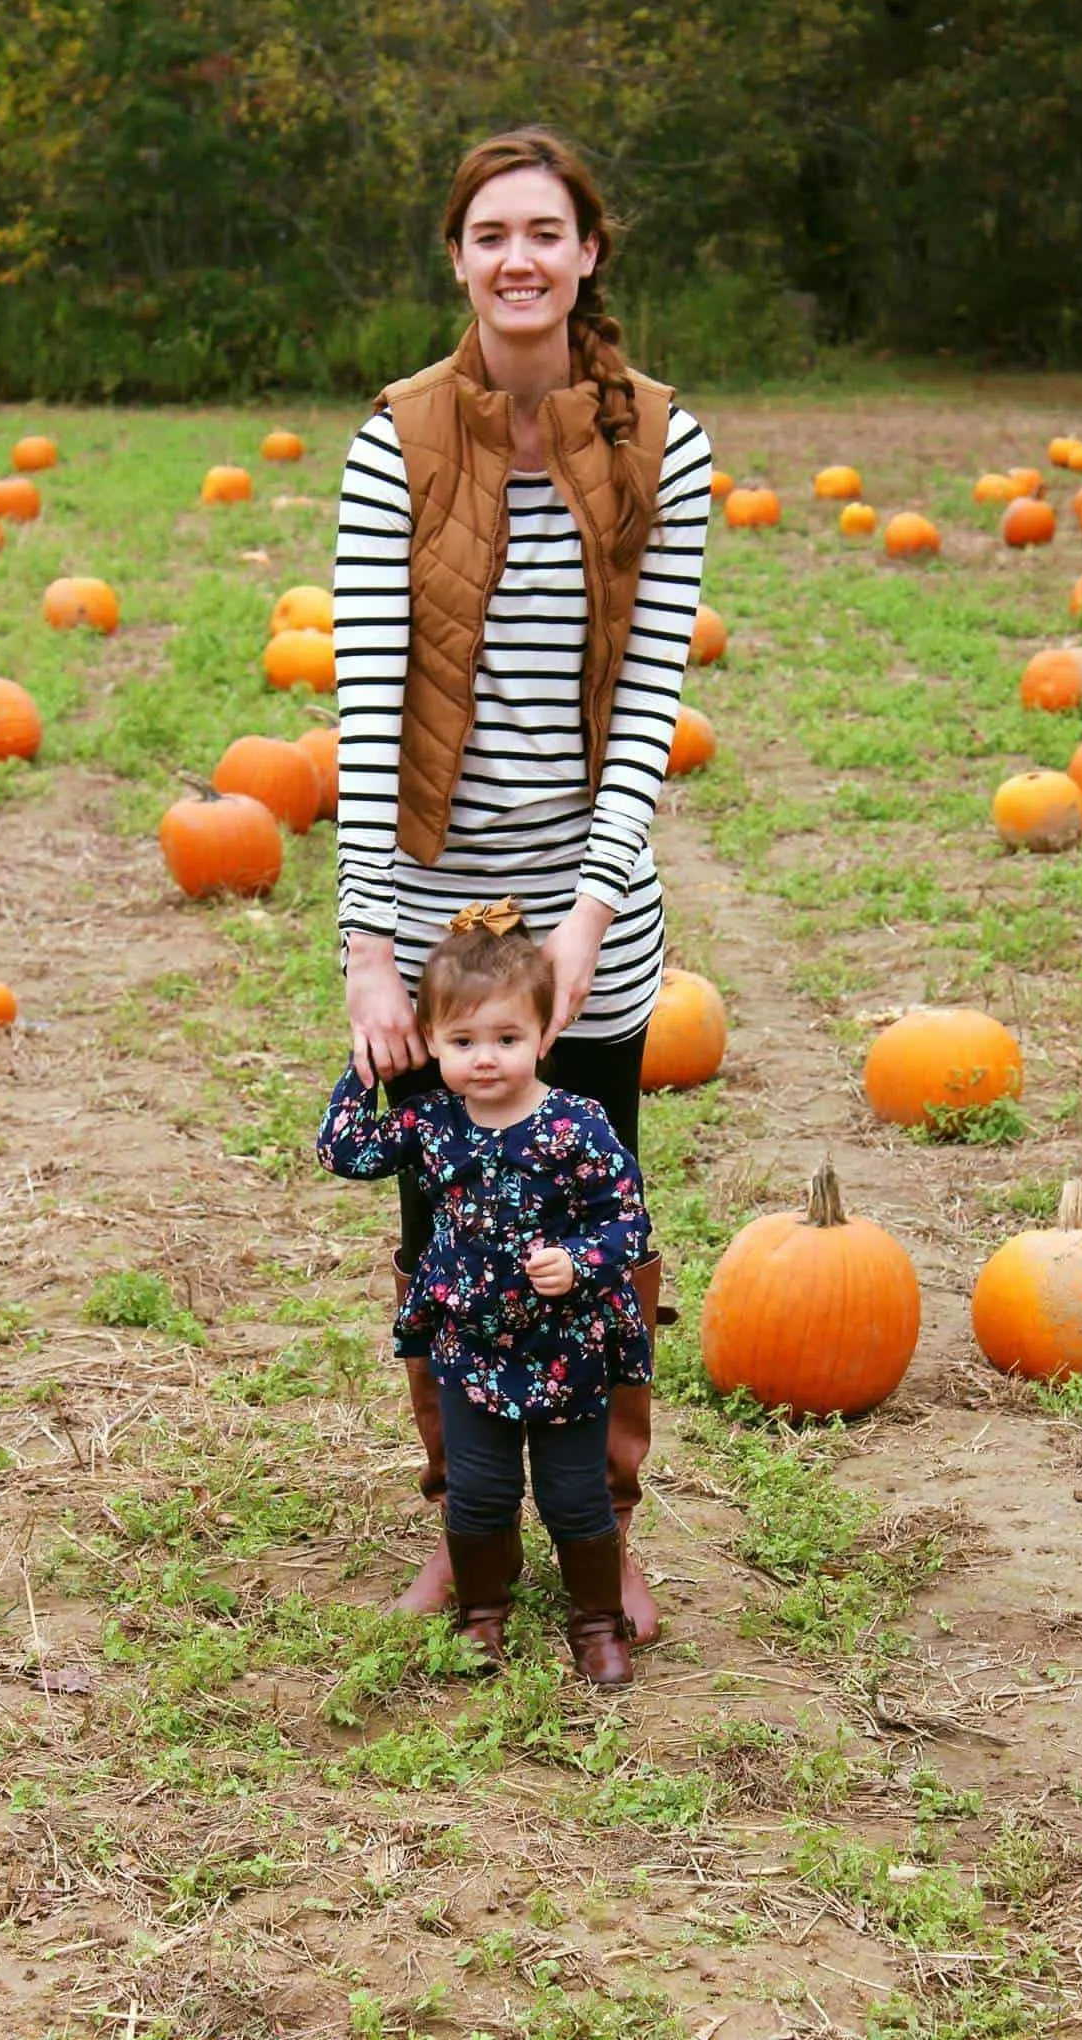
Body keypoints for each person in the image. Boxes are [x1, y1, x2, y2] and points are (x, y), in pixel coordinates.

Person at [332, 125, 711, 1641]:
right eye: (491, 233)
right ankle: (465, 1523)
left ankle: (600, 1540)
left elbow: (646, 712)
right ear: (457, 257)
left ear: (589, 252)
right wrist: (370, 945)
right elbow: (369, 700)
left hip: (586, 905)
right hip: (435, 912)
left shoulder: (660, 438)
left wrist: (590, 917)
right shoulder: (398, 440)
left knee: (591, 1215)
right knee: (446, 1238)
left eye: (545, 231)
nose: (519, 259)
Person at [317, 908, 651, 1685]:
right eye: (462, 1042)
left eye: (506, 1039)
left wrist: (577, 1261)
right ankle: (481, 1615)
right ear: (431, 1044)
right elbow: (344, 1150)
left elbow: (626, 1223)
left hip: (565, 1348)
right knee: (478, 1491)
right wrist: (362, 1067)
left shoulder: (579, 1125)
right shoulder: (432, 1123)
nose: (486, 1059)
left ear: (543, 1037)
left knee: (574, 1494)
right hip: (467, 1344)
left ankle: (598, 1621)